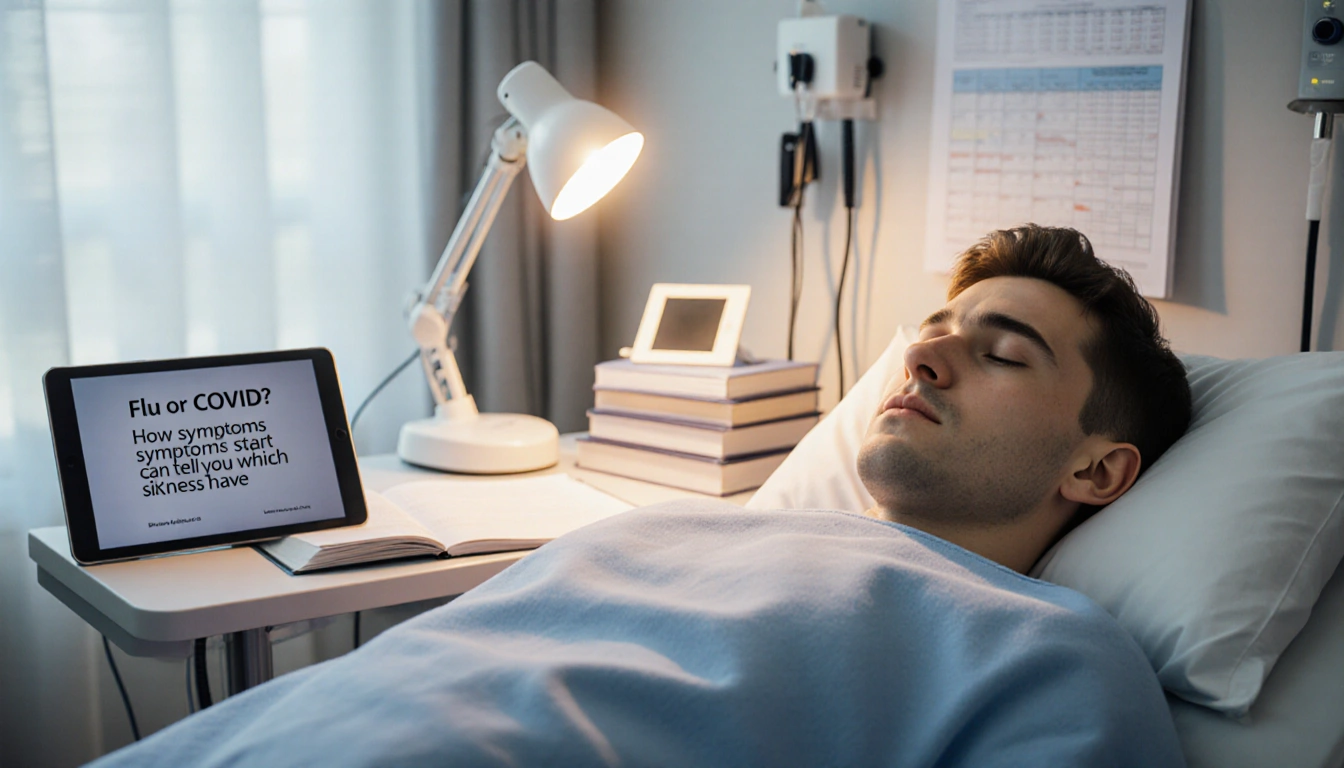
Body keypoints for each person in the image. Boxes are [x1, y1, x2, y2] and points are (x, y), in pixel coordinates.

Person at [92, 225, 1191, 768]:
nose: (927, 363)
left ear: (1096, 470)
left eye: (1001, 355)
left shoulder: (1051, 656)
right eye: (934, 337)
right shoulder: (675, 529)